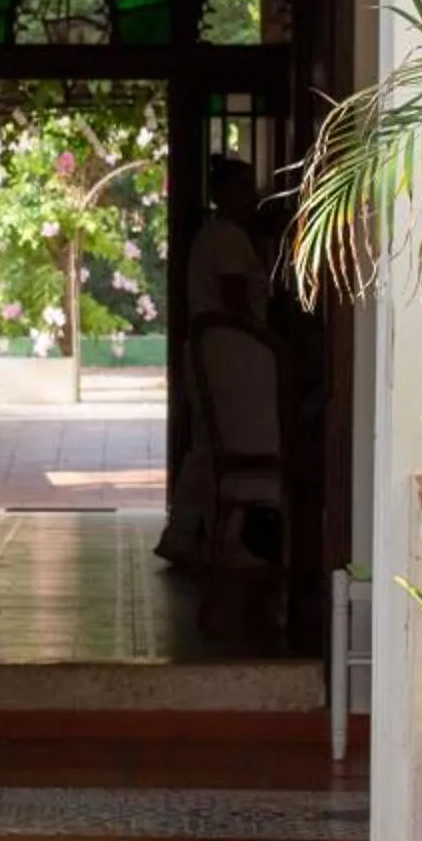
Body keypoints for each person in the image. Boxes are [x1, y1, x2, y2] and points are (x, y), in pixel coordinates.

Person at [159, 157, 278, 569]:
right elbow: (237, 303)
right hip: (234, 363)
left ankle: (190, 535)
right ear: (221, 194)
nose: (252, 198)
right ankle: (218, 538)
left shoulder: (215, 237)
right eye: (243, 188)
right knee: (230, 447)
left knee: (209, 447)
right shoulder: (227, 239)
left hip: (219, 361)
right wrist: (271, 347)